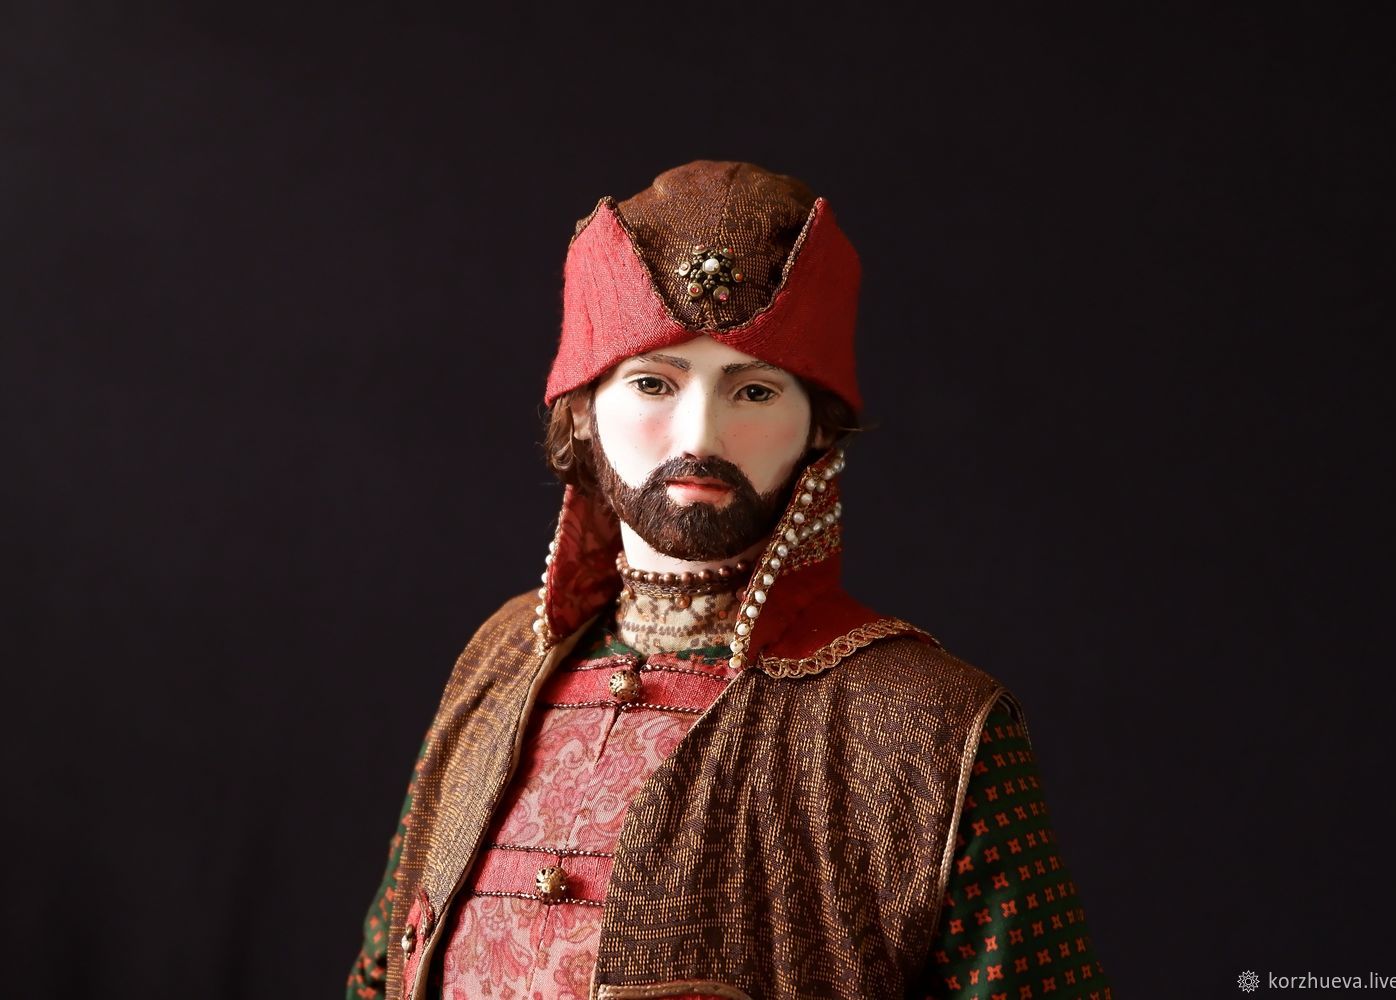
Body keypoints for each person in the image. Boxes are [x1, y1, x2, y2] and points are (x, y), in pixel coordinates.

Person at [346, 161, 1113, 1000]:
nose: (701, 434)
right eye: (653, 383)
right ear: (582, 409)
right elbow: (381, 973)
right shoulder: (498, 662)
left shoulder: (934, 727)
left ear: (817, 426)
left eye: (752, 390)